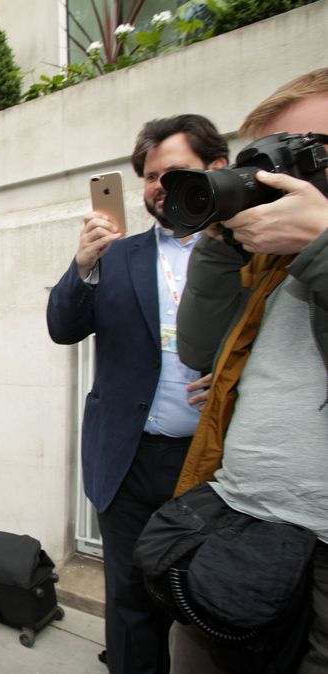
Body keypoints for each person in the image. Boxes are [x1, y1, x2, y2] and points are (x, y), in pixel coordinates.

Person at [46, 114, 229, 674]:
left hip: (211, 464)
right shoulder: (117, 255)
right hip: (127, 459)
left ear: (216, 170)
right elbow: (61, 325)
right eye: (149, 176)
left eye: (173, 173)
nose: (158, 187)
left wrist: (230, 373)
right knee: (129, 603)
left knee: (209, 600)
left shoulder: (248, 249)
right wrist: (82, 267)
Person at [171, 68, 328, 673]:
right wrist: (220, 241)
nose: (275, 179)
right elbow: (198, 349)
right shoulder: (268, 265)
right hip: (239, 523)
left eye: (300, 155)